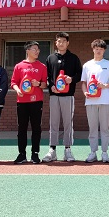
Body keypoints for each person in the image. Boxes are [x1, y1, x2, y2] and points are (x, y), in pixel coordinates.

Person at [43, 32, 82, 163]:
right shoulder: (50, 58)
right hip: (54, 95)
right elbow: (47, 76)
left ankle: (67, 149)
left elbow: (79, 74)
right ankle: (52, 149)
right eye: (59, 41)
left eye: (64, 41)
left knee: (67, 123)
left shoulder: (73, 58)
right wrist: (51, 86)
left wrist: (72, 79)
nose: (61, 43)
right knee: (53, 122)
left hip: (68, 96)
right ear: (56, 43)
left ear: (67, 43)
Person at [81, 39, 109, 163]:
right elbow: (83, 82)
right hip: (90, 101)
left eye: (101, 49)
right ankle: (93, 152)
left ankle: (104, 152)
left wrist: (105, 86)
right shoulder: (87, 65)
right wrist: (85, 92)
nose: (98, 51)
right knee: (92, 128)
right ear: (93, 49)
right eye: (96, 48)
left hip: (105, 101)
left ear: (104, 50)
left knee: (104, 128)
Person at [11, 41, 48, 164]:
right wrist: (17, 90)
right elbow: (14, 82)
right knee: (22, 128)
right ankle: (22, 154)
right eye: (34, 49)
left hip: (37, 101)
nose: (37, 51)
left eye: (38, 49)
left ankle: (35, 153)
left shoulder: (42, 66)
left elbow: (45, 84)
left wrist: (38, 84)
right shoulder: (19, 66)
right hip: (22, 101)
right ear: (27, 50)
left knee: (36, 128)